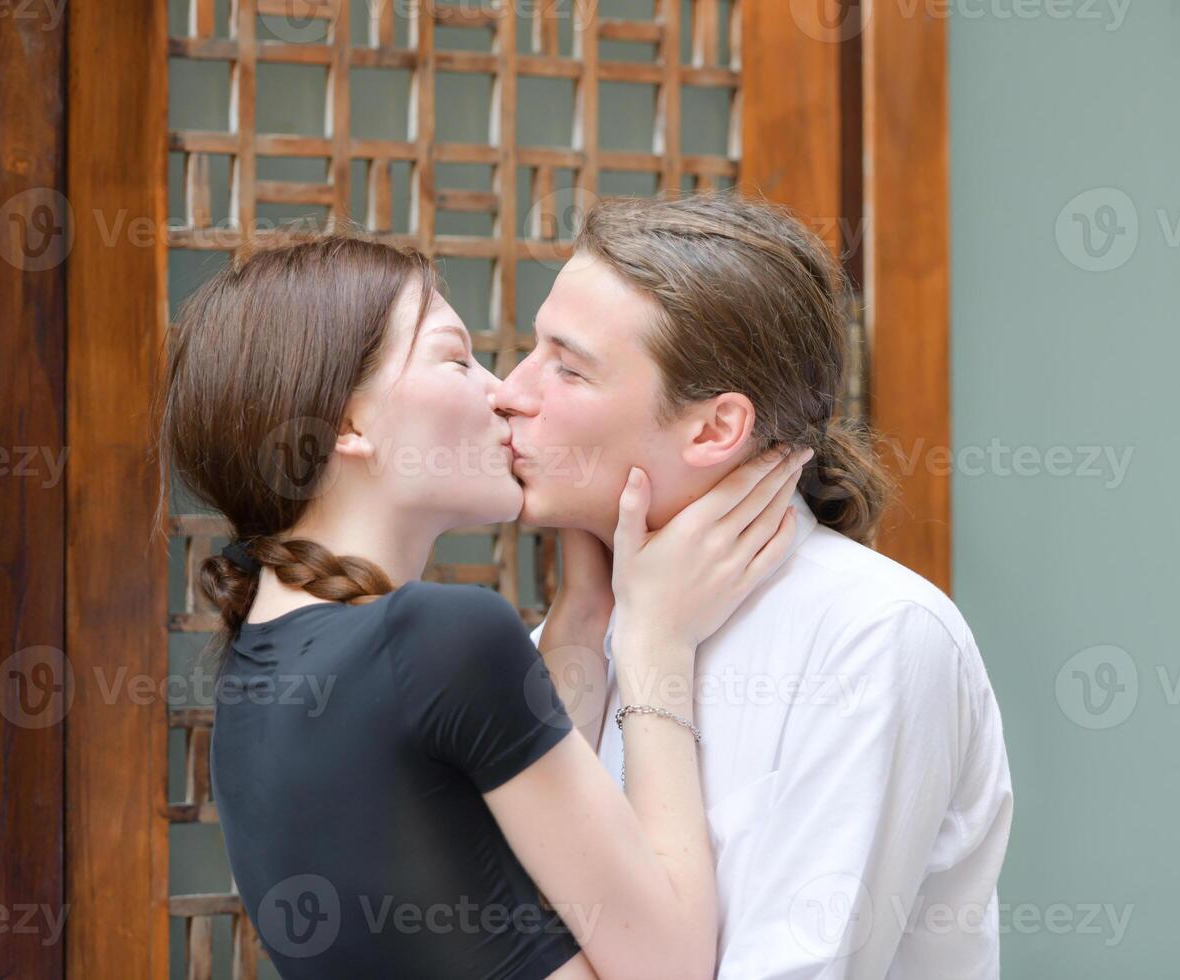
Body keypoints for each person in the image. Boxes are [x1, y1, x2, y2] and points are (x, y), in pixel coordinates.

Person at [153, 233, 808, 979]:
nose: (502, 391)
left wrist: (584, 612)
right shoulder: (440, 638)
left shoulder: (255, 665)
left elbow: (492, 862)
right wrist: (656, 642)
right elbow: (670, 968)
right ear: (347, 426)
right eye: (456, 358)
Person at [496, 193, 1015, 978]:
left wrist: (650, 649)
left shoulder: (874, 636)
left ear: (714, 429)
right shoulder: (562, 643)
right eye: (533, 351)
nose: (510, 391)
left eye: (568, 369)